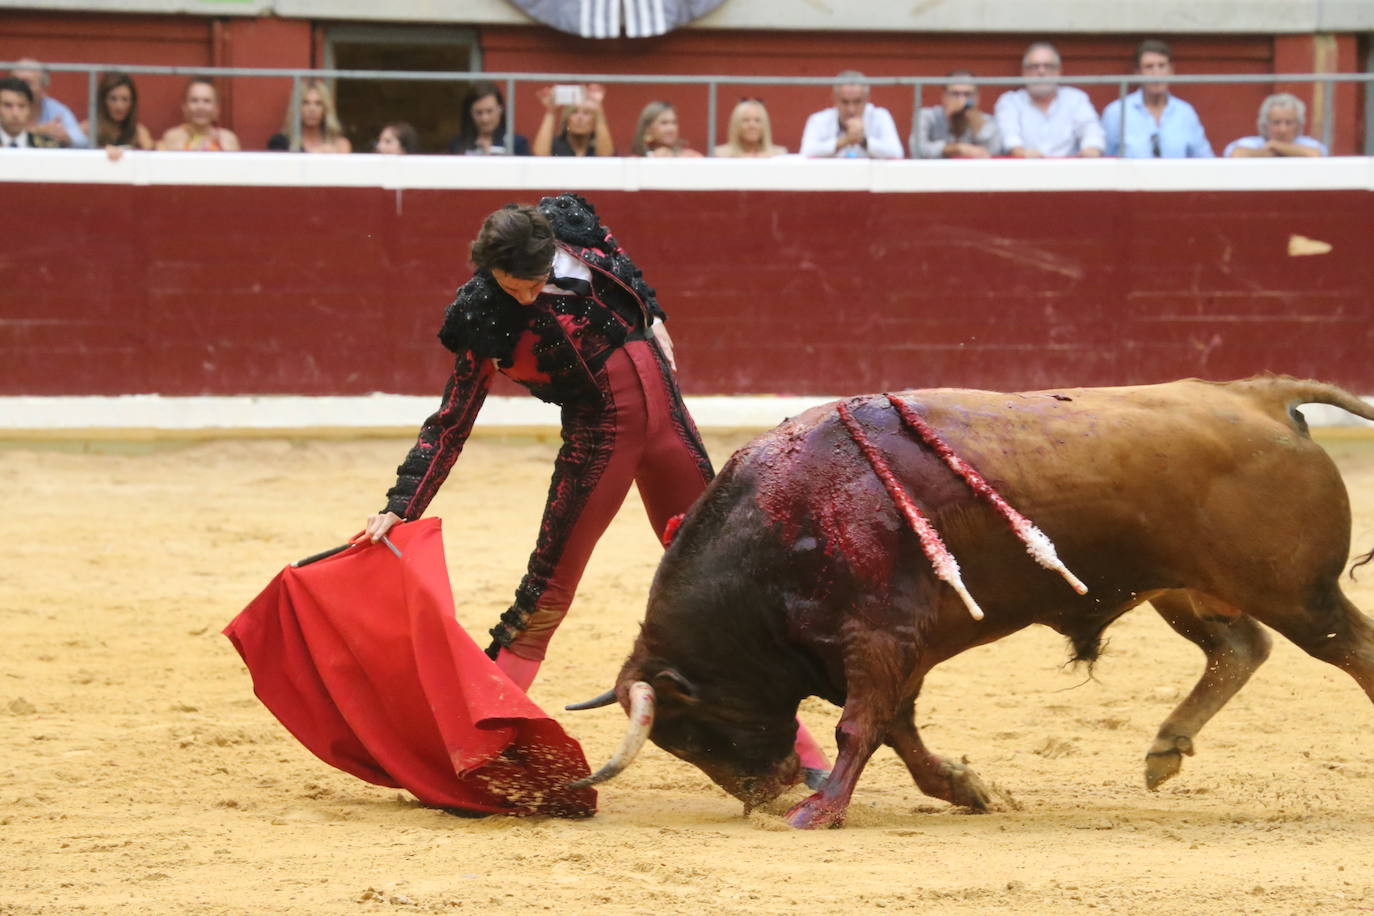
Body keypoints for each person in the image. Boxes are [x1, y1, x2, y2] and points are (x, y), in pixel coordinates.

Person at [355, 195, 832, 787]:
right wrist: (401, 505)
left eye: (533, 283)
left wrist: (652, 314)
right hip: (599, 439)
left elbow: (627, 269)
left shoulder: (574, 233)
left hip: (668, 424)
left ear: (551, 254)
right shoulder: (482, 314)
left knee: (725, 585)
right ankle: (469, 747)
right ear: (491, 270)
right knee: (544, 596)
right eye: (513, 285)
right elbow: (453, 420)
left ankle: (805, 758)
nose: (526, 296)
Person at [1101, 40, 1213, 158]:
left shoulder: (1185, 112)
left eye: (1162, 66)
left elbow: (1205, 159)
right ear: (1138, 73)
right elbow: (1103, 160)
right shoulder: (1117, 111)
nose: (1156, 73)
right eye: (1149, 67)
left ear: (1171, 71)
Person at [994, 42, 1105, 158]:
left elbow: (1091, 131)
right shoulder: (1010, 102)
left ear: (1058, 71)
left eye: (1048, 66)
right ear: (1023, 72)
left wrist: (1091, 148)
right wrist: (1020, 152)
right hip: (1025, 169)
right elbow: (1009, 138)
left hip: (1068, 171)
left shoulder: (1075, 99)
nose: (1041, 72)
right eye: (1034, 67)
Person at [799, 71, 903, 159]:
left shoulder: (881, 116)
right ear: (835, 99)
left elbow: (896, 152)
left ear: (867, 99)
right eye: (845, 102)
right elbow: (806, 152)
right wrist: (842, 142)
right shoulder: (819, 119)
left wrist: (864, 141)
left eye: (857, 102)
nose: (851, 109)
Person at [910, 71, 1002, 159]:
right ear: (944, 96)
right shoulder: (928, 116)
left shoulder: (987, 120)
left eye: (967, 94)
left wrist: (975, 122)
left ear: (977, 97)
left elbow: (995, 151)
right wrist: (956, 149)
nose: (961, 99)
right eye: (955, 94)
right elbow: (916, 149)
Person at [10, 58, 87, 148]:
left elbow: (82, 142)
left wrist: (65, 136)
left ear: (42, 88)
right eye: (14, 81)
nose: (19, 87)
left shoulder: (55, 110)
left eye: (26, 83)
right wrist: (36, 131)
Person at [1223, 92, 1327, 158]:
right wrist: (1279, 151)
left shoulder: (1308, 144)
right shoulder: (1250, 143)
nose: (1283, 129)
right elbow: (1236, 154)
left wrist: (1275, 145)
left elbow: (1316, 155)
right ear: (1265, 124)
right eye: (1276, 123)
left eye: (1289, 123)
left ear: (1299, 125)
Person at [156, 78, 241, 151]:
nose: (200, 107)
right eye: (194, 100)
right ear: (184, 107)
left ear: (217, 109)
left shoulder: (227, 139)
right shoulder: (172, 137)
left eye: (207, 101)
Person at [448, 80, 530, 156]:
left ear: (500, 109)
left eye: (489, 111)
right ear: (471, 113)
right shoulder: (457, 144)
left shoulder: (517, 144)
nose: (484, 119)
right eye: (479, 112)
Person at [268, 79, 351, 153]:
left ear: (325, 109)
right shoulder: (280, 142)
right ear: (297, 108)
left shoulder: (339, 144)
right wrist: (317, 153)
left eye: (318, 103)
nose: (312, 109)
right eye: (305, 103)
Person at [532, 83, 614, 157]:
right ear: (566, 119)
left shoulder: (598, 146)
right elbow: (540, 156)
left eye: (586, 113)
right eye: (574, 112)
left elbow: (605, 156)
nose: (580, 118)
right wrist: (550, 112)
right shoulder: (555, 145)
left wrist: (598, 111)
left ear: (594, 123)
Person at [79, 71, 154, 151]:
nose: (119, 106)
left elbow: (153, 156)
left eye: (125, 99)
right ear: (103, 101)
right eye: (113, 99)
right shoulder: (89, 128)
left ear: (132, 102)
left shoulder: (139, 132)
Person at [0, 77, 62, 148]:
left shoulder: (47, 147)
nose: (15, 114)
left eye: (22, 106)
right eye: (7, 106)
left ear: (30, 109)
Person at [713, 98, 787, 157]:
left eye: (757, 120)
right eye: (746, 120)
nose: (752, 126)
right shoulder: (721, 155)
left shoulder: (778, 155)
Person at [631, 101, 703, 157]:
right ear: (648, 128)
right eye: (664, 123)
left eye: (674, 122)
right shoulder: (636, 161)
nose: (671, 129)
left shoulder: (690, 157)